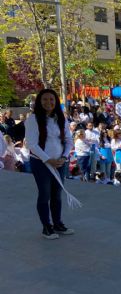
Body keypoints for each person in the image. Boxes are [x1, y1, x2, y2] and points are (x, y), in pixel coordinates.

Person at [24, 89, 75, 239]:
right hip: (41, 163)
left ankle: (58, 223)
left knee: (57, 195)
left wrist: (64, 157)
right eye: (45, 99)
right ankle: (47, 226)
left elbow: (68, 140)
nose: (48, 102)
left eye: (51, 99)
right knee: (44, 194)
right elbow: (32, 144)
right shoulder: (33, 119)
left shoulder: (60, 118)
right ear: (39, 101)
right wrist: (48, 159)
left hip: (60, 162)